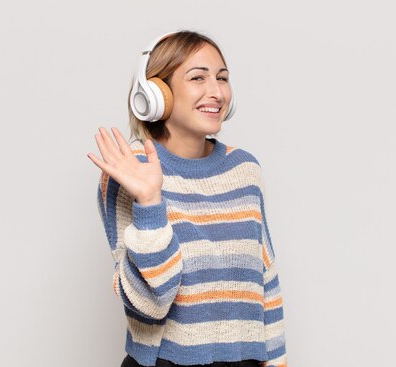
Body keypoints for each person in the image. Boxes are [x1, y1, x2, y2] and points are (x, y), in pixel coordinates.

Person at [87, 30, 288, 367]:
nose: (216, 92)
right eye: (198, 77)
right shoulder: (129, 172)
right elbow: (151, 303)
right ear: (157, 93)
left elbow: (265, 280)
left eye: (222, 78)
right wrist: (149, 201)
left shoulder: (245, 169)